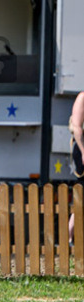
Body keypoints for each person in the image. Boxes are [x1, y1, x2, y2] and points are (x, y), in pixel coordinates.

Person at [69, 91, 84, 242]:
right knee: (81, 195)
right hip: (82, 148)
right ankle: (69, 237)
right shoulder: (82, 98)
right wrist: (83, 150)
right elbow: (77, 127)